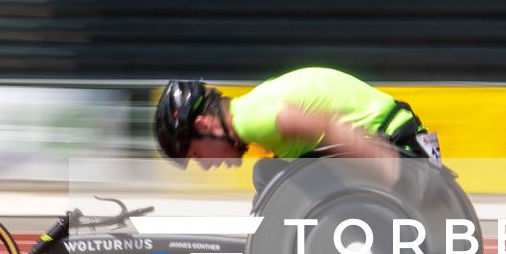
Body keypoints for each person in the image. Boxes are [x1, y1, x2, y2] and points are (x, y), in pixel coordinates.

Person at [153, 68, 440, 189]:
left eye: (197, 155)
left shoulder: (253, 119)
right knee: (273, 177)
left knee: (272, 180)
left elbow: (327, 125)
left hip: (397, 144)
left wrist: (391, 172)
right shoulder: (251, 109)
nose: (205, 166)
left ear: (205, 125)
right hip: (401, 131)